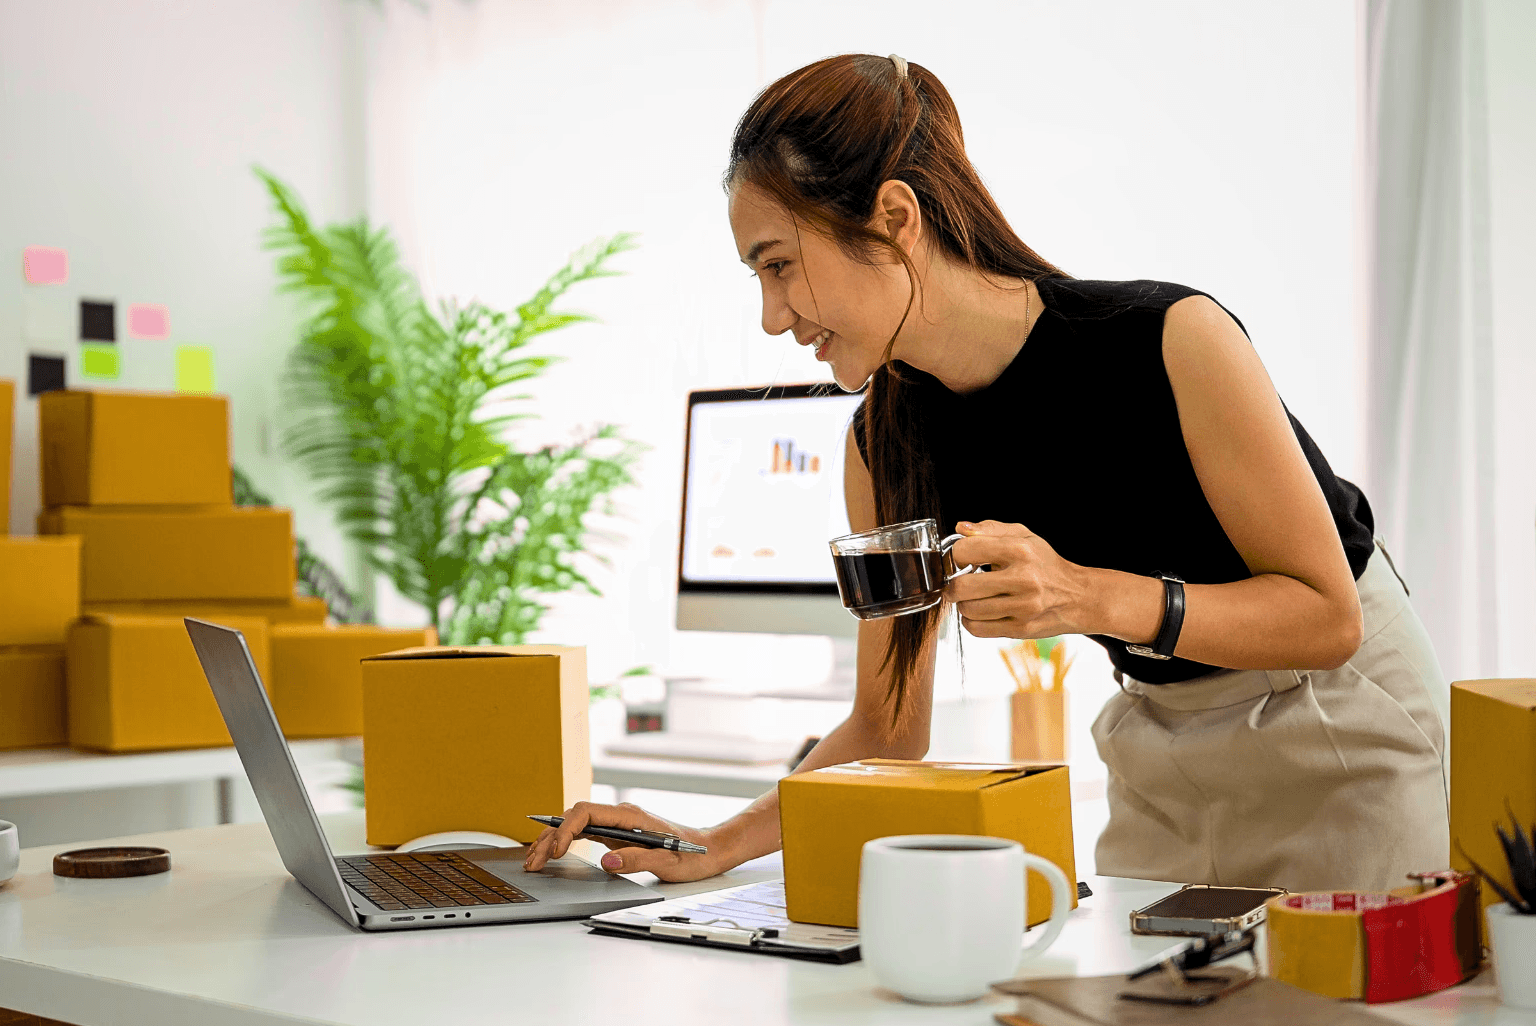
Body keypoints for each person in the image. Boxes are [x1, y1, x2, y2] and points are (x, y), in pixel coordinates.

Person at [524, 53, 1448, 892]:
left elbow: (1327, 617)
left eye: (780, 265)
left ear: (893, 219)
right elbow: (889, 728)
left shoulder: (1171, 339)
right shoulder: (883, 446)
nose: (772, 316)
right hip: (1166, 750)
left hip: (1335, 720)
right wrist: (710, 842)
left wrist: (1088, 598)